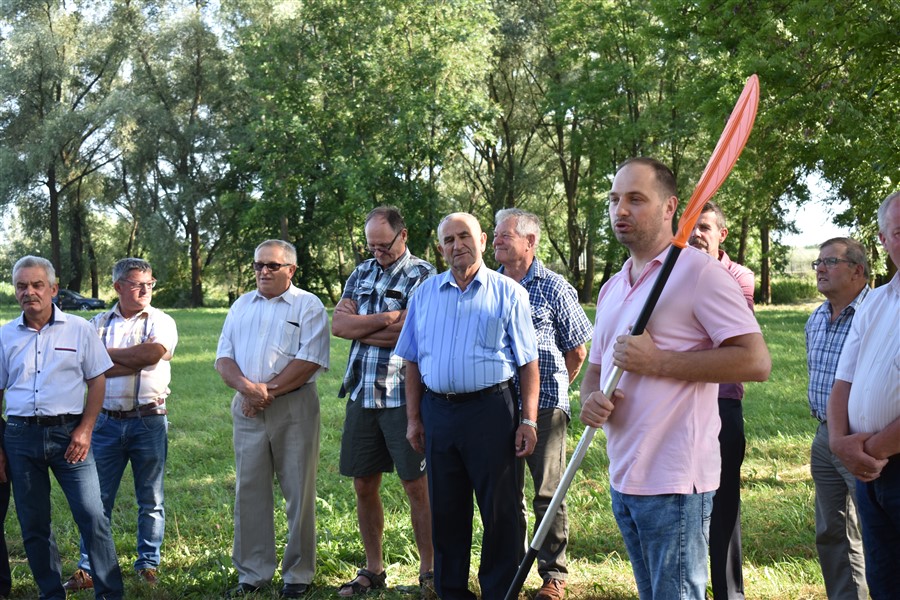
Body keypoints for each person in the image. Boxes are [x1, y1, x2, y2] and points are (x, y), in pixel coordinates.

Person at [579, 158, 771, 599]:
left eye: (635, 199)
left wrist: (659, 362)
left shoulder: (699, 273)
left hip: (675, 483)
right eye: (614, 199)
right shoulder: (613, 287)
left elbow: (756, 361)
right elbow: (596, 371)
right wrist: (590, 398)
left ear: (670, 208)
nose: (620, 210)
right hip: (624, 475)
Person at [395, 212, 540, 600]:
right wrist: (413, 419)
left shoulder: (509, 293)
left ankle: (499, 591)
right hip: (438, 413)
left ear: (482, 240)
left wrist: (529, 420)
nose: (457, 245)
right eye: (449, 240)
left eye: (464, 236)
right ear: (440, 248)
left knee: (500, 511)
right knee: (445, 510)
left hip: (492, 413)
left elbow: (528, 363)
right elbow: (412, 361)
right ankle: (452, 591)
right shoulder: (424, 295)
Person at [0, 255, 124, 600]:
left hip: (70, 435)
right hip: (20, 437)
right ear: (15, 291)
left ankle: (109, 593)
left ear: (53, 289)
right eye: (22, 286)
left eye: (37, 285)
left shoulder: (79, 329)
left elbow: (97, 380)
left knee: (93, 516)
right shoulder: (5, 336)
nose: (29, 292)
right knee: (34, 523)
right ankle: (51, 593)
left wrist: (85, 429)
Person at [215, 240, 330, 598]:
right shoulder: (240, 305)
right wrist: (248, 390)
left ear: (291, 270)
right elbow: (223, 358)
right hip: (247, 409)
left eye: (272, 265)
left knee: (298, 491)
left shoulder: (308, 305)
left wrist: (264, 392)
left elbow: (309, 360)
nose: (263, 271)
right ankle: (253, 572)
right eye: (258, 265)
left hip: (294, 408)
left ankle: (297, 574)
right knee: (249, 491)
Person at [331, 207, 436, 595]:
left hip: (403, 395)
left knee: (416, 486)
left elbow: (416, 334)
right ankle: (373, 569)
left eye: (384, 245)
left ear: (403, 235)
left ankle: (429, 571)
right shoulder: (361, 272)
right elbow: (339, 326)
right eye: (371, 246)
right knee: (363, 483)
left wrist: (361, 327)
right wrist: (390, 318)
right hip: (362, 391)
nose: (378, 253)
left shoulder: (423, 275)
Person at [60, 258, 178, 592]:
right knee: (96, 500)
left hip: (149, 419)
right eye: (138, 284)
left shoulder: (162, 321)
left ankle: (148, 564)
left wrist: (105, 357)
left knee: (151, 498)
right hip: (105, 423)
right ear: (118, 287)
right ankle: (89, 568)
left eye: (150, 284)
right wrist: (129, 359)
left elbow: (151, 355)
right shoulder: (95, 323)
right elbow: (85, 368)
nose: (145, 290)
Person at [493, 208, 592, 600]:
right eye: (495, 234)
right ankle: (512, 570)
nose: (496, 240)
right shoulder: (489, 286)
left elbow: (578, 351)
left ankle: (553, 575)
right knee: (505, 494)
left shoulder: (554, 287)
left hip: (547, 405)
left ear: (529, 241)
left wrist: (552, 393)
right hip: (496, 405)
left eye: (504, 235)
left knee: (548, 492)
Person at [828, 191, 900, 599]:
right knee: (884, 582)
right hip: (869, 473)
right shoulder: (876, 302)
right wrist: (839, 442)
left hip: (876, 460)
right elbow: (843, 380)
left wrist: (867, 449)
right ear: (884, 239)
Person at [688, 201, 755, 599]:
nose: (696, 234)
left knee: (724, 499)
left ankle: (729, 593)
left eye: (705, 227)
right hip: (680, 405)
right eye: (690, 227)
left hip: (722, 403)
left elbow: (727, 341)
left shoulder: (739, 278)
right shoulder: (672, 273)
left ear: (722, 234)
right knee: (684, 499)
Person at [805, 237, 870, 599]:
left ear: (858, 271)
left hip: (867, 438)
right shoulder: (816, 318)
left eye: (830, 262)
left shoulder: (876, 313)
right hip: (825, 436)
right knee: (833, 531)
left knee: (881, 527)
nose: (820, 269)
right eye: (818, 262)